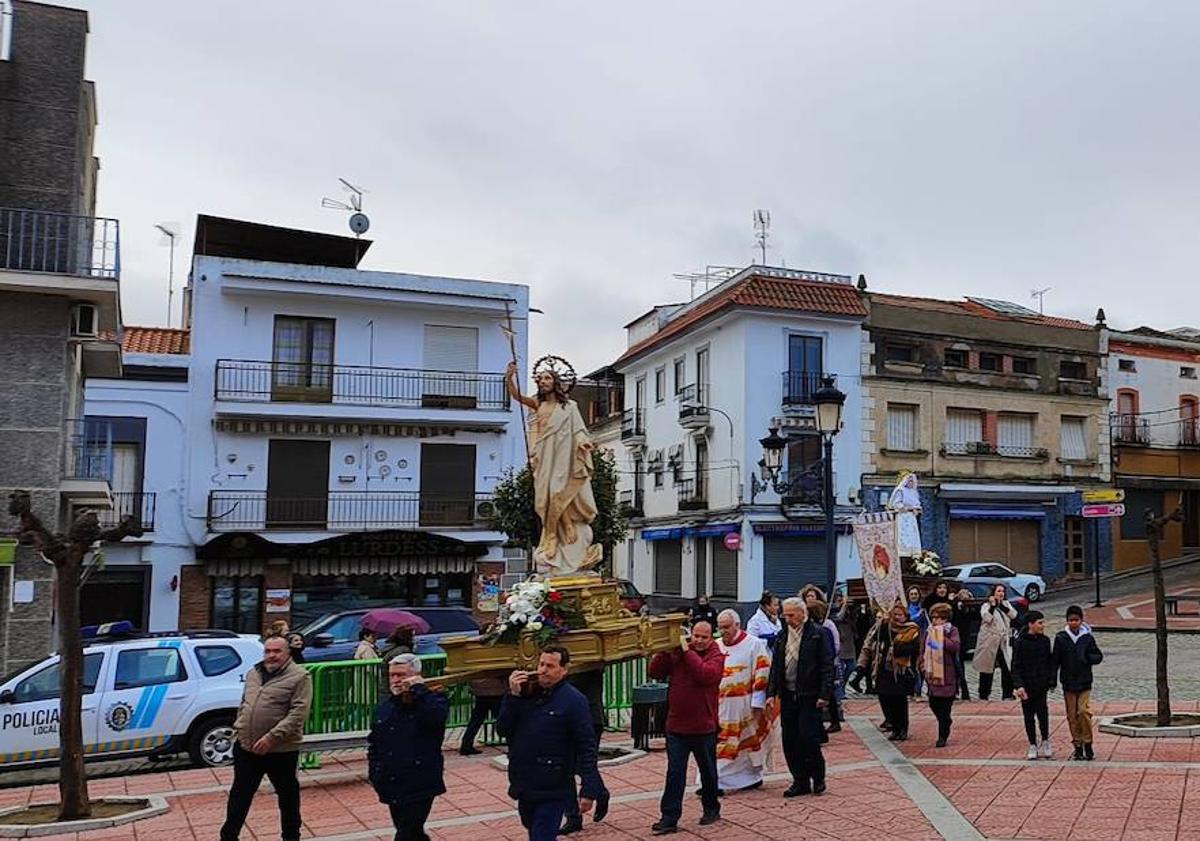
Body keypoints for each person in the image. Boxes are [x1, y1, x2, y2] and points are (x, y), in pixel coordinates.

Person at [496, 646, 604, 841]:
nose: (543, 670)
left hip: (554, 784)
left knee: (542, 835)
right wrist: (513, 697)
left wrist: (589, 789)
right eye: (541, 664)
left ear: (564, 670)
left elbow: (586, 746)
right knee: (532, 829)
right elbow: (503, 729)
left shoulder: (573, 701)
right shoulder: (525, 694)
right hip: (525, 782)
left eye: (550, 666)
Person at [505, 358, 601, 574]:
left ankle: (554, 534)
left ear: (556, 382)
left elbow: (578, 429)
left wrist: (584, 442)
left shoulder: (569, 406)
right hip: (543, 454)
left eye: (547, 378)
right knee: (544, 498)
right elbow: (516, 396)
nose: (543, 381)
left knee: (558, 490)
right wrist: (509, 377)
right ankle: (559, 526)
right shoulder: (538, 404)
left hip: (564, 455)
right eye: (540, 379)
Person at [220, 635, 313, 841]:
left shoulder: (300, 676)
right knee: (239, 795)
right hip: (246, 747)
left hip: (281, 750)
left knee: (287, 796)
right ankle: (228, 836)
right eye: (268, 651)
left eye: (277, 651)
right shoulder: (254, 672)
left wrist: (272, 737)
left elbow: (299, 713)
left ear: (288, 653)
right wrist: (241, 727)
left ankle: (291, 836)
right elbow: (245, 703)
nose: (271, 656)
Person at [647, 621, 725, 834]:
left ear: (711, 638)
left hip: (703, 726)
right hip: (676, 725)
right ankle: (669, 817)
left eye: (703, 637)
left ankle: (711, 808)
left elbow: (704, 675)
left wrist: (685, 652)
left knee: (708, 771)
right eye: (695, 636)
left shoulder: (716, 656)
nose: (698, 641)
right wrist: (664, 652)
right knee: (674, 773)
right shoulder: (679, 653)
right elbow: (655, 672)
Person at [368, 653, 449, 841]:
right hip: (391, 781)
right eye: (392, 675)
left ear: (416, 675)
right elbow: (375, 742)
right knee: (412, 832)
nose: (396, 680)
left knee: (406, 833)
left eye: (401, 675)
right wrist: (375, 772)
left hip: (420, 781)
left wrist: (419, 690)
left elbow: (436, 717)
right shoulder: (385, 707)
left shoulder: (433, 699)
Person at [766, 598, 834, 798]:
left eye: (791, 615)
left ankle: (818, 777)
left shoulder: (818, 634)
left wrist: (825, 694)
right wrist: (771, 693)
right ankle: (799, 779)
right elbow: (775, 666)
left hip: (810, 695)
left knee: (809, 737)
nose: (787, 619)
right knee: (790, 739)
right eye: (784, 615)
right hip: (787, 694)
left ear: (802, 614)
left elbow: (827, 665)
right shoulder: (782, 636)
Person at [713, 609, 775, 792]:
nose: (723, 631)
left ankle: (749, 778)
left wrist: (757, 702)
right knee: (722, 744)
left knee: (746, 745)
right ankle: (715, 781)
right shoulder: (716, 646)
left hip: (745, 706)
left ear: (737, 625)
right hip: (721, 705)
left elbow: (763, 673)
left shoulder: (754, 644)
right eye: (720, 627)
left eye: (727, 627)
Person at [850, 603, 920, 741]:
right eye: (895, 615)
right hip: (884, 668)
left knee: (899, 701)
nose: (897, 618)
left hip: (900, 670)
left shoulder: (911, 629)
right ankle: (893, 727)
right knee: (885, 699)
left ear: (906, 616)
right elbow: (875, 640)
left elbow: (914, 649)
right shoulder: (885, 627)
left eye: (900, 615)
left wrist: (897, 648)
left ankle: (902, 728)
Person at [560, 669, 611, 835]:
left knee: (584, 764)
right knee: (565, 768)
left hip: (590, 717)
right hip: (564, 720)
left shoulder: (589, 659)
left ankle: (598, 793)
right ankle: (573, 818)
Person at [1052, 605, 1104, 761]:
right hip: (1068, 682)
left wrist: (1087, 659)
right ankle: (1077, 745)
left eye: (1076, 620)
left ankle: (1088, 742)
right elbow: (1055, 661)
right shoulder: (1061, 638)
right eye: (1071, 620)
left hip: (1084, 681)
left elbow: (1098, 656)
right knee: (1072, 715)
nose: (1074, 623)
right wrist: (1052, 680)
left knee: (1084, 712)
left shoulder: (1087, 638)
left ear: (1081, 621)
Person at [1011, 610, 1055, 760]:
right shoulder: (1020, 642)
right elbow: (1015, 665)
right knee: (1028, 715)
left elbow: (1049, 662)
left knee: (1043, 714)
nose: (1043, 625)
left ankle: (1045, 740)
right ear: (1031, 624)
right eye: (1040, 623)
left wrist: (1050, 680)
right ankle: (1032, 744)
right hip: (1026, 684)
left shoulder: (1045, 641)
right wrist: (1019, 685)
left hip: (1041, 684)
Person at [920, 603, 961, 747]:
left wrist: (940, 637)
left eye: (937, 618)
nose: (934, 621)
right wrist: (922, 665)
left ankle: (942, 735)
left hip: (948, 674)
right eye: (933, 618)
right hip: (933, 673)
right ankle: (945, 721)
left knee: (945, 707)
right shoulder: (929, 631)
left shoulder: (952, 631)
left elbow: (955, 646)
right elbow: (923, 649)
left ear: (945, 619)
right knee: (933, 703)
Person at [975, 583, 1017, 701]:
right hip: (990, 641)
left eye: (1002, 591)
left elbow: (1014, 615)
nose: (1001, 593)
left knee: (1007, 668)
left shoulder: (1006, 604)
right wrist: (993, 606)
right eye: (998, 591)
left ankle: (1008, 693)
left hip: (1003, 641)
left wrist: (1001, 606)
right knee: (987, 669)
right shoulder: (986, 606)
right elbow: (987, 618)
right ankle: (984, 694)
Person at [806, 601, 841, 736]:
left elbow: (835, 645)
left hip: (826, 664)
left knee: (829, 694)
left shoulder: (827, 625)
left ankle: (834, 720)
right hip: (815, 667)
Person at [459, 674, 507, 756]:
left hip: (480, 691)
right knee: (504, 721)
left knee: (475, 721)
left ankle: (466, 745)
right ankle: (513, 745)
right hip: (495, 690)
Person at [950, 589, 975, 700]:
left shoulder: (970, 608)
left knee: (960, 666)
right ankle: (957, 690)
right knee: (956, 665)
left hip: (964, 640)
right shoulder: (954, 606)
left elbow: (976, 616)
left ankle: (964, 690)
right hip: (954, 639)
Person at [905, 586, 930, 697]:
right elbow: (909, 620)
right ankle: (914, 690)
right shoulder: (906, 609)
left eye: (916, 594)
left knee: (922, 666)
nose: (914, 596)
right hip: (911, 640)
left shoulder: (923, 608)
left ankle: (920, 689)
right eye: (912, 594)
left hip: (923, 639)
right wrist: (919, 615)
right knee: (912, 666)